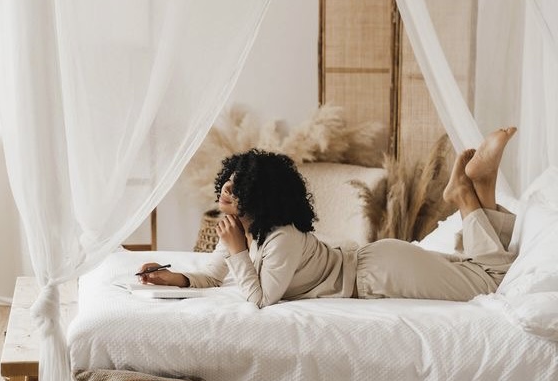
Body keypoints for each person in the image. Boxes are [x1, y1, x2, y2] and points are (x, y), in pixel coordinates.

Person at [138, 127, 518, 308]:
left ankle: (467, 196)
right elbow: (217, 275)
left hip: (379, 272)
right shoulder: (243, 230)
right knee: (475, 272)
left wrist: (237, 249)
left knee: (490, 283)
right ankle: (481, 190)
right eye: (227, 182)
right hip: (376, 265)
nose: (224, 191)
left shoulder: (282, 236)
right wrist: (176, 278)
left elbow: (259, 299)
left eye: (237, 187)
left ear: (259, 196)